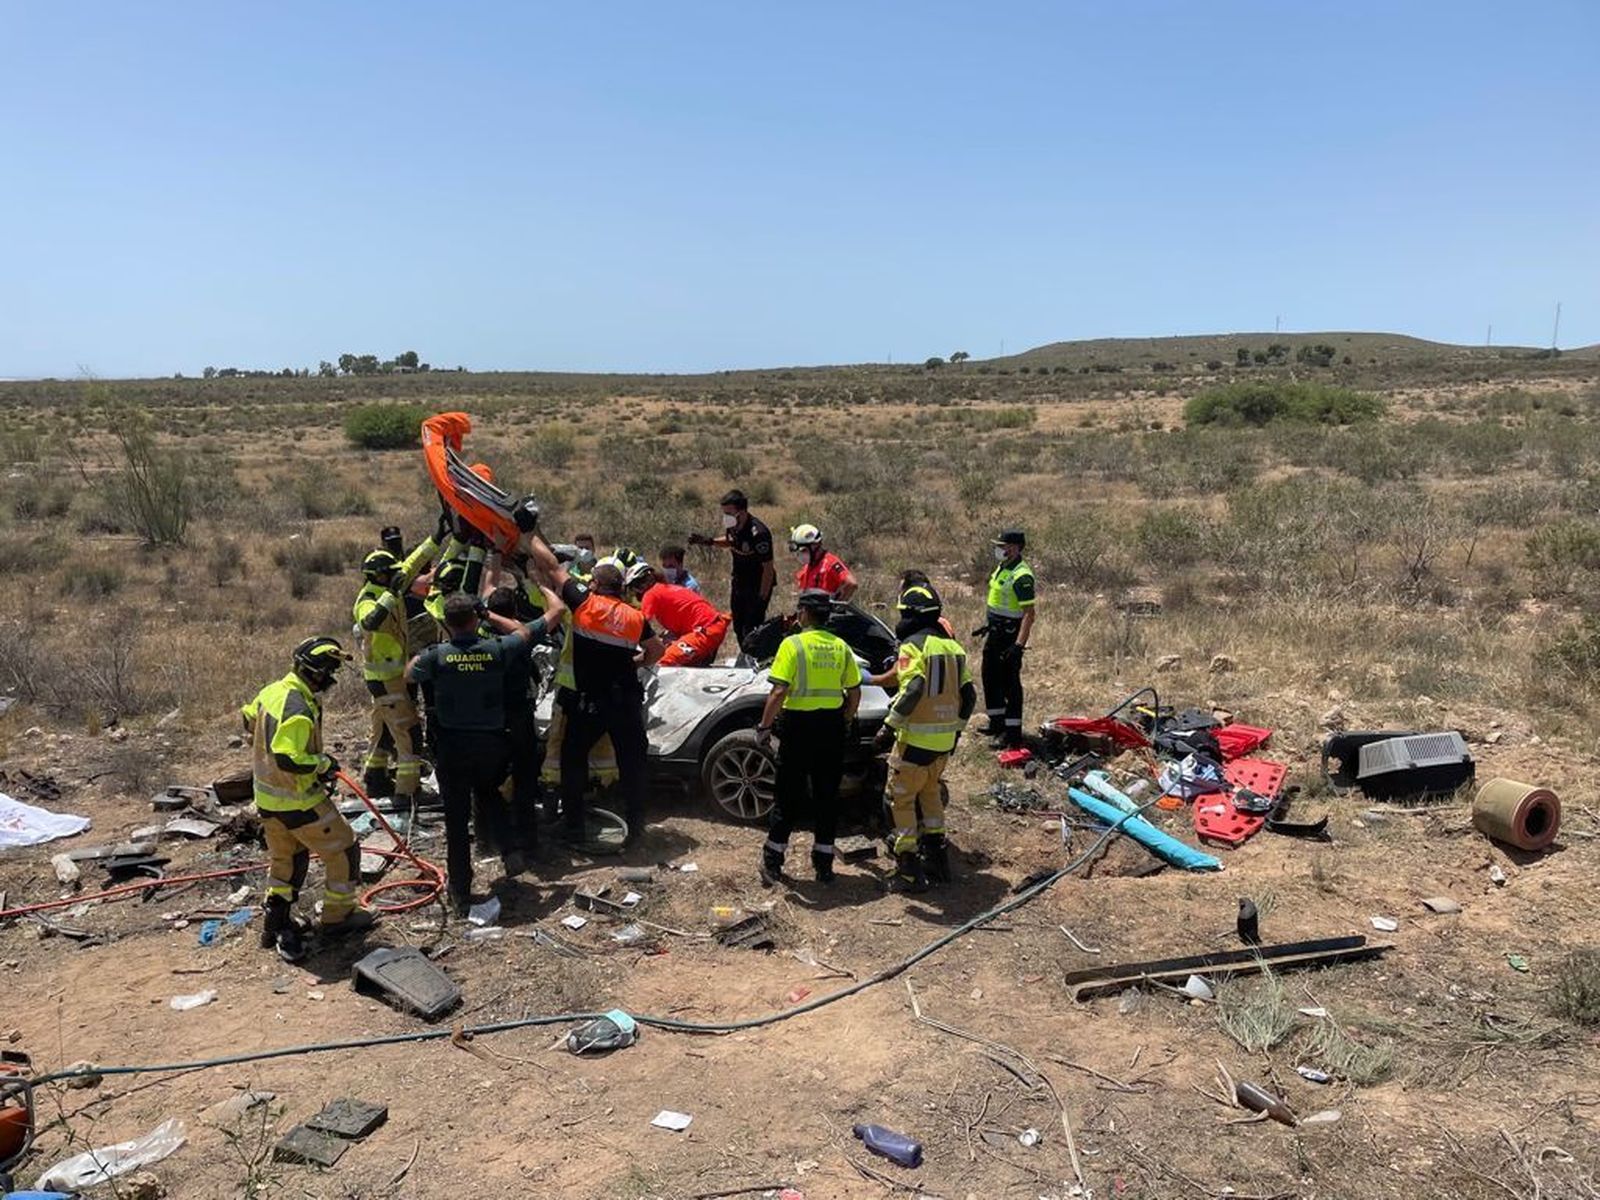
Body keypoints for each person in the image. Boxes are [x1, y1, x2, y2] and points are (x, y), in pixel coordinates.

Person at [406, 590, 563, 914]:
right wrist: (490, 616)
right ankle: (508, 849)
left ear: (448, 624)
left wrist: (428, 651)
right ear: (475, 619)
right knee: (489, 792)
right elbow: (531, 627)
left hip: (452, 747)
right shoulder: (496, 649)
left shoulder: (438, 655)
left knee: (456, 821)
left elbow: (409, 673)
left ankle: (461, 891)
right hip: (492, 743)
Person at [526, 536, 665, 847]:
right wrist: (635, 663)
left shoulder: (585, 604)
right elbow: (656, 649)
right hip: (626, 700)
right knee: (632, 764)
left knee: (573, 759)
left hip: (590, 701)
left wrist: (530, 535)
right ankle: (637, 828)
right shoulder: (635, 616)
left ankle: (574, 827)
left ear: (597, 585)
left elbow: (551, 567)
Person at [241, 636, 368, 962]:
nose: (331, 679)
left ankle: (275, 924)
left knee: (287, 861)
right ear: (316, 672)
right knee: (343, 848)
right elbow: (288, 758)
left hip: (268, 801)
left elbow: (247, 718)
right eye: (329, 672)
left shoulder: (273, 691)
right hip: (299, 801)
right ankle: (337, 919)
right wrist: (323, 764)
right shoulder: (298, 707)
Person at [872, 583, 977, 893]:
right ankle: (938, 861)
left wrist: (888, 728)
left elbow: (914, 687)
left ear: (912, 615)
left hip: (914, 741)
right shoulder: (953, 649)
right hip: (943, 744)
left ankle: (908, 871)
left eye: (904, 613)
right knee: (930, 794)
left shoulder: (912, 647)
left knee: (899, 799)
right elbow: (969, 696)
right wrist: (955, 730)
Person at [755, 589, 862, 885]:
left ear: (804, 613)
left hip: (798, 728)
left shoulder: (793, 645)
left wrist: (764, 727)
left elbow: (778, 691)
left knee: (787, 796)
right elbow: (854, 691)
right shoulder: (841, 646)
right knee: (827, 797)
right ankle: (824, 866)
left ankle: (773, 863)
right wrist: (846, 719)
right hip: (831, 728)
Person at [352, 526, 443, 801]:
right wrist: (391, 596)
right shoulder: (368, 598)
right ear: (379, 575)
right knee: (410, 733)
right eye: (390, 573)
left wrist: (437, 536)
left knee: (382, 733)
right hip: (386, 678)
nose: (397, 575)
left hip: (387, 677)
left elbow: (412, 562)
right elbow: (370, 622)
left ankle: (375, 776)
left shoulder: (388, 582)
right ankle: (408, 790)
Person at [484, 583, 566, 863]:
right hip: (518, 716)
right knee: (524, 778)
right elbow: (558, 610)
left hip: (488, 719)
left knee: (487, 781)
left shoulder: (477, 633)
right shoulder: (523, 635)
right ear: (515, 611)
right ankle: (528, 840)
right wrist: (540, 582)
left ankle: (486, 838)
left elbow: (487, 587)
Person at [689, 489, 774, 649]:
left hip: (756, 584)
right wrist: (709, 541)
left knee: (752, 627)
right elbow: (731, 541)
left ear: (741, 512)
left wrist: (761, 599)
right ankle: (745, 655)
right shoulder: (733, 526)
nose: (725, 517)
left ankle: (756, 660)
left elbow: (768, 568)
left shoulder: (758, 533)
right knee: (738, 626)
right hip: (739, 582)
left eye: (729, 513)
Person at [979, 530, 1037, 748]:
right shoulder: (1003, 567)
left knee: (1009, 684)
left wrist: (1018, 646)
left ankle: (1012, 733)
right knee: (989, 677)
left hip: (1009, 638)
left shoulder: (1022, 576)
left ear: (1015, 547)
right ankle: (996, 723)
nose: (1000, 549)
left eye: (1003, 545)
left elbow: (1029, 615)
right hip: (994, 633)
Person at [625, 562, 731, 667]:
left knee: (663, 661)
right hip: (712, 627)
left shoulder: (651, 593)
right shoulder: (664, 589)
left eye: (635, 588)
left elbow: (639, 622)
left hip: (704, 631)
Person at [789, 524, 857, 601]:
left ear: (815, 546)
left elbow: (851, 583)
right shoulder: (807, 568)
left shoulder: (830, 563)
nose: (800, 555)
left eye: (804, 550)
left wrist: (836, 606)